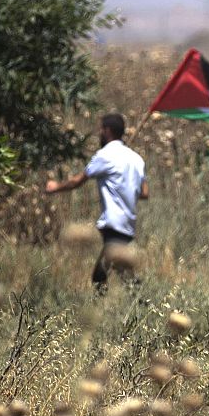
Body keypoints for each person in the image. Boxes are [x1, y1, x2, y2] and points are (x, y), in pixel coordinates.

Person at [44, 113, 148, 287]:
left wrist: (55, 187)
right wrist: (126, 185)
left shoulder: (105, 155)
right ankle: (142, 306)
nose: (99, 133)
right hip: (128, 224)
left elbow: (78, 181)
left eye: (101, 129)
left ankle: (143, 307)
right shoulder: (136, 159)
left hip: (114, 224)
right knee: (120, 274)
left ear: (107, 131)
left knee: (101, 277)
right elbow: (144, 193)